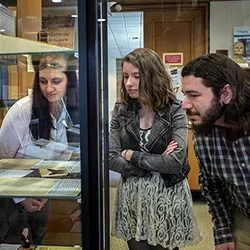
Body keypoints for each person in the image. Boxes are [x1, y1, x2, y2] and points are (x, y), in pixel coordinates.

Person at [109, 48, 201, 250]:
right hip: (132, 195)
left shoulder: (174, 109)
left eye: (136, 76)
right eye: (125, 76)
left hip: (168, 193)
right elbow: (110, 156)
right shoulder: (121, 110)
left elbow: (174, 162)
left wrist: (131, 154)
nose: (129, 83)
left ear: (153, 76)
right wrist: (152, 164)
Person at [0, 53, 79, 244]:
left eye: (56, 81)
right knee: (15, 243)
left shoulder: (65, 108)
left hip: (43, 193)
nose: (49, 88)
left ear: (69, 82)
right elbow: (1, 160)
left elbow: (60, 151)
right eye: (43, 81)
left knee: (38, 241)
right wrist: (21, 198)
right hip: (12, 197)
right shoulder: (23, 110)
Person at [181, 53, 250, 250]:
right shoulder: (204, 134)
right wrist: (222, 230)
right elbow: (212, 184)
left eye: (194, 95)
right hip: (244, 218)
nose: (185, 104)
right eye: (185, 95)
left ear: (225, 94)